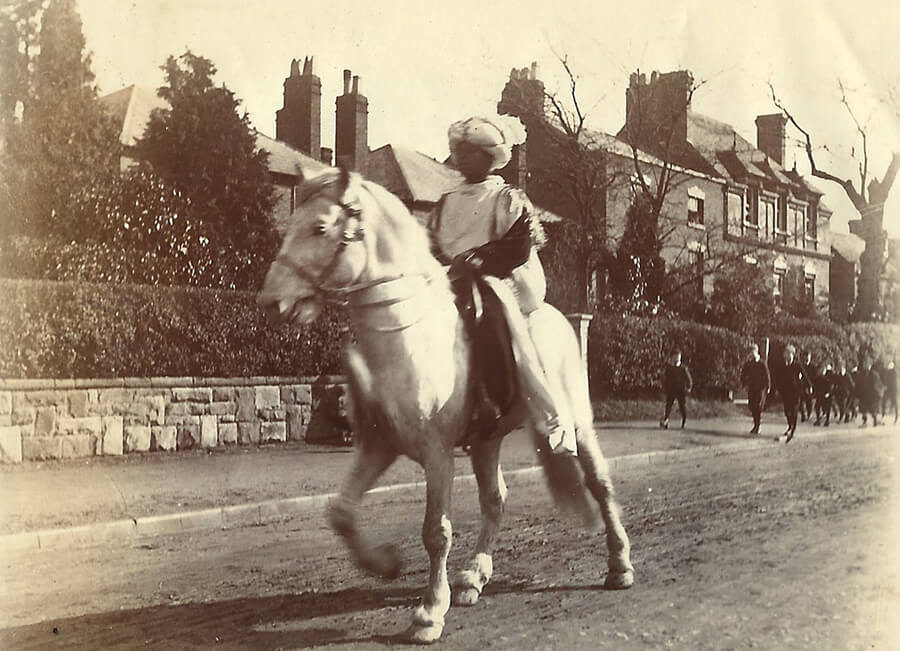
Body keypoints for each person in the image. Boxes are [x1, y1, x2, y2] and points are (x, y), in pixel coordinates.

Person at [428, 115, 576, 455]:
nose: (464, 158)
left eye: (473, 152)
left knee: (493, 317)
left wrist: (476, 259)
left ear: (490, 157)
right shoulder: (447, 201)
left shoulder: (506, 197)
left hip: (502, 279)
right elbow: (432, 244)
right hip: (453, 280)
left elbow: (517, 247)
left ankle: (530, 411)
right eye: (461, 152)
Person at [773, 344, 808, 442]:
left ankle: (792, 429)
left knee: (794, 411)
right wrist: (777, 389)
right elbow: (778, 379)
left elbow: (805, 376)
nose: (787, 355)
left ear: (793, 355)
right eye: (785, 353)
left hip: (796, 392)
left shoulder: (797, 365)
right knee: (787, 411)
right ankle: (790, 426)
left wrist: (809, 387)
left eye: (789, 353)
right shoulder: (782, 366)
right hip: (785, 392)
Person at [740, 342, 770, 435]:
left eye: (752, 352)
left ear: (756, 352)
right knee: (752, 406)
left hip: (760, 388)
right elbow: (743, 374)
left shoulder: (762, 363)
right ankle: (755, 425)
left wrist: (768, 386)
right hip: (752, 387)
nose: (751, 354)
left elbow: (767, 375)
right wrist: (743, 383)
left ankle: (758, 426)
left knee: (758, 406)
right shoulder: (748, 364)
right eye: (750, 352)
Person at [659, 350, 693, 429]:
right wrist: (664, 388)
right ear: (672, 357)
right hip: (671, 390)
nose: (677, 358)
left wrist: (689, 387)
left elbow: (689, 379)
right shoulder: (669, 368)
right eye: (675, 356)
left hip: (681, 390)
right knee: (668, 406)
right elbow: (665, 379)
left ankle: (684, 421)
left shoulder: (683, 368)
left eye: (678, 356)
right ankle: (666, 421)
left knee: (682, 406)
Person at [857, 358, 884, 427]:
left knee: (872, 409)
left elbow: (878, 384)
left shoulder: (874, 374)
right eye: (864, 364)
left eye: (867, 364)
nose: (865, 365)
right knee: (864, 409)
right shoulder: (861, 374)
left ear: (870, 365)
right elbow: (859, 384)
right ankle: (864, 422)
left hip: (871, 395)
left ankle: (875, 421)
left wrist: (878, 393)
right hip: (863, 394)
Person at [812, 362, 834, 427]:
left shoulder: (828, 378)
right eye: (820, 370)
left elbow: (830, 387)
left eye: (823, 370)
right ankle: (818, 420)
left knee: (827, 408)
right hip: (819, 395)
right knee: (817, 407)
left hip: (827, 395)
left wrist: (828, 393)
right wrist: (813, 393)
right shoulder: (817, 379)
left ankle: (827, 421)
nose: (821, 371)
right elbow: (814, 387)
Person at [879, 358, 898, 425]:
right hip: (888, 389)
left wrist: (886, 386)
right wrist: (884, 386)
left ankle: (896, 417)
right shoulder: (886, 371)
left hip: (892, 390)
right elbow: (884, 379)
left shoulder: (894, 371)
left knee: (895, 403)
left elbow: (893, 382)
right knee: (884, 403)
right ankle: (883, 416)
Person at [798, 351, 814, 422]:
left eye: (808, 358)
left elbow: (814, 378)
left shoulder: (812, 367)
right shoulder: (801, 366)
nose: (807, 359)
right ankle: (803, 415)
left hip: (809, 386)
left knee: (809, 401)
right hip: (801, 386)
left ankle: (809, 413)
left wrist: (811, 386)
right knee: (800, 401)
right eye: (806, 358)